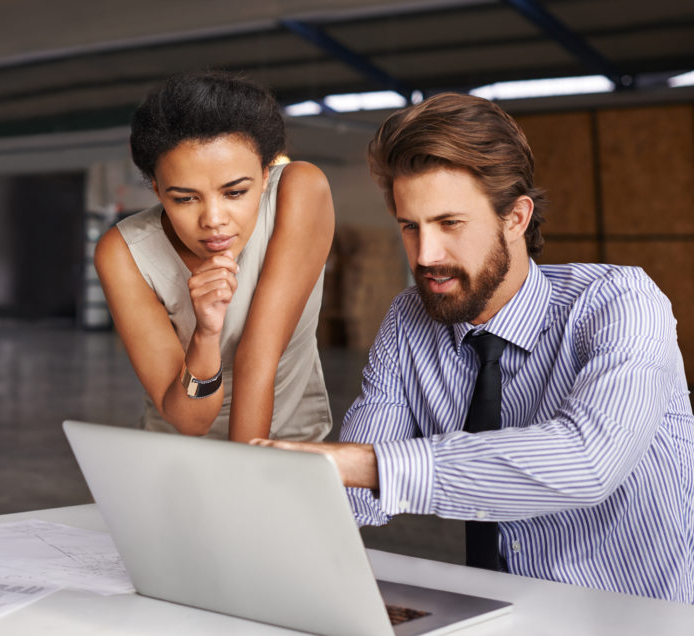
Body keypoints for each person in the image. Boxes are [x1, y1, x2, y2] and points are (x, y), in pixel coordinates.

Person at [252, 93, 694, 603]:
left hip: (636, 616)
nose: (426, 256)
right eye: (410, 227)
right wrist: (260, 502)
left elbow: (590, 462)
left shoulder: (621, 302)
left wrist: (368, 466)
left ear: (517, 218)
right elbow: (355, 493)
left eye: (450, 224)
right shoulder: (409, 318)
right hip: (499, 610)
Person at [95, 71, 335, 442]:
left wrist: (238, 484)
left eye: (235, 192)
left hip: (284, 447)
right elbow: (191, 423)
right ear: (157, 189)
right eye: (184, 198)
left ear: (265, 174)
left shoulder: (299, 190)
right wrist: (206, 335)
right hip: (176, 455)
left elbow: (257, 360)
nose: (214, 220)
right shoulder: (124, 252)